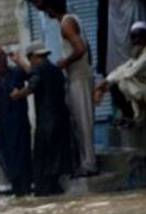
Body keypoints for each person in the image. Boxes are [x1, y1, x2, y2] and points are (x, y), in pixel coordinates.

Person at [41, 0, 97, 177]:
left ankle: (89, 164)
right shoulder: (72, 19)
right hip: (79, 76)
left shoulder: (66, 23)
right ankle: (86, 162)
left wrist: (65, 61)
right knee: (80, 123)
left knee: (83, 123)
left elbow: (80, 48)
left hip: (78, 78)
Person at [11, 42, 74, 196]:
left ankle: (45, 193)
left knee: (42, 162)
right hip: (62, 120)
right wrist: (19, 62)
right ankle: (56, 190)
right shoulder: (55, 69)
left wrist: (17, 94)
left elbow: (33, 85)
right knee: (56, 161)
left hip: (46, 123)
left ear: (33, 57)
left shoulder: (38, 68)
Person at [0, 44, 33, 196]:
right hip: (2, 131)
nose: (2, 61)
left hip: (21, 127)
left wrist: (19, 61)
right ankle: (19, 193)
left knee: (24, 164)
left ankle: (24, 194)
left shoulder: (16, 72)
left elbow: (35, 76)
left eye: (3, 56)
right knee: (9, 167)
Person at [94, 22, 146, 123]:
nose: (137, 40)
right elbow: (122, 69)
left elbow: (130, 71)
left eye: (140, 36)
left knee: (125, 82)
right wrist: (103, 86)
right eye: (133, 37)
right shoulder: (140, 56)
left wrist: (104, 83)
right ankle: (141, 116)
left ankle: (144, 116)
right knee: (125, 80)